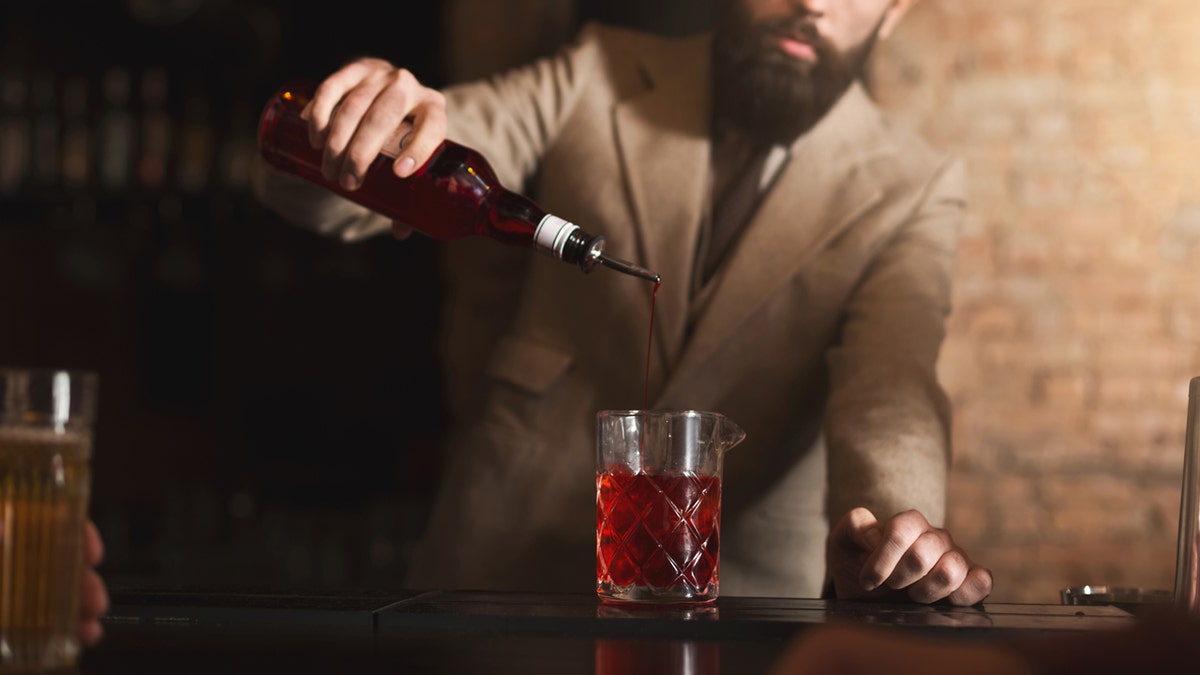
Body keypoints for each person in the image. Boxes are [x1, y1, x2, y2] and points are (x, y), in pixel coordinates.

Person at [253, 0, 991, 604]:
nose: (813, 4)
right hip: (495, 586)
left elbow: (892, 386)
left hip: (738, 617)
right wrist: (364, 125)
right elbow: (385, 174)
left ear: (895, 12)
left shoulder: (914, 185)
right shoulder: (597, 68)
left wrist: (896, 532)